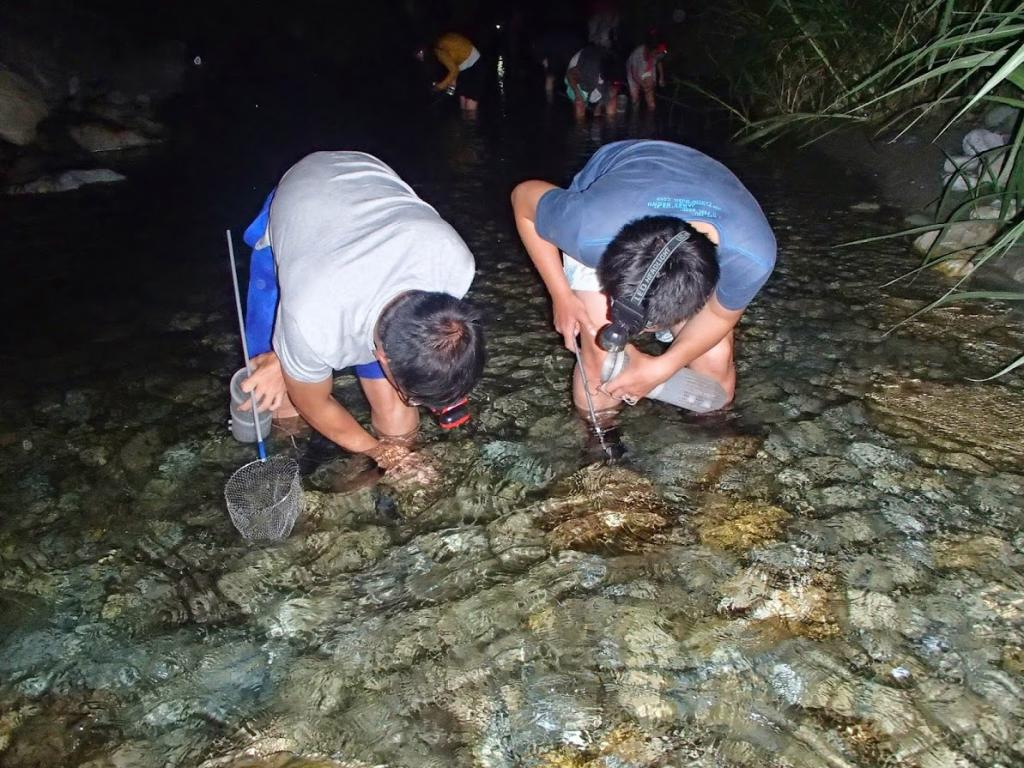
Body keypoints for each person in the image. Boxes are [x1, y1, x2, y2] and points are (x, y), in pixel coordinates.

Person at [239, 151, 485, 472]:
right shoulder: (311, 319)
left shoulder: (455, 264)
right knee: (280, 401)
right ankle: (299, 463)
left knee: (399, 424)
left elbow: (439, 342)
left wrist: (398, 451)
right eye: (414, 396)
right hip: (302, 200)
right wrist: (379, 453)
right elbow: (311, 402)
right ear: (381, 357)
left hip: (373, 198)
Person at [510, 140, 776, 435]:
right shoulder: (588, 232)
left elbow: (720, 315)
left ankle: (712, 436)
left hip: (710, 187)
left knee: (715, 361)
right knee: (602, 357)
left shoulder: (751, 257)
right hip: (616, 196)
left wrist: (664, 367)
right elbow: (523, 198)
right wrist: (560, 294)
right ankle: (600, 441)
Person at [416, 32, 484, 112]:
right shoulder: (439, 44)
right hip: (463, 65)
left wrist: (439, 87)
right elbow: (453, 66)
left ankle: (470, 119)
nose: (419, 58)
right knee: (462, 97)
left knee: (470, 100)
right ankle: (463, 118)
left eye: (419, 55)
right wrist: (451, 86)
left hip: (474, 64)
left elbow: (454, 71)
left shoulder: (438, 51)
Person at [565, 44, 620, 119]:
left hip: (596, 82)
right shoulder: (589, 66)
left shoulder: (613, 68)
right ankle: (580, 124)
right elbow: (569, 74)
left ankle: (611, 123)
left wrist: (600, 105)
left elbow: (613, 89)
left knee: (612, 99)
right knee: (579, 102)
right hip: (578, 80)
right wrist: (578, 95)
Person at [626, 36, 667, 110]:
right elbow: (634, 74)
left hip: (647, 71)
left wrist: (661, 77)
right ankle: (634, 111)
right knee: (635, 98)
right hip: (633, 74)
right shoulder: (637, 54)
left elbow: (659, 61)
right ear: (650, 49)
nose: (657, 55)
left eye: (659, 53)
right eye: (656, 53)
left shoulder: (658, 53)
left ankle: (651, 110)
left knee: (650, 99)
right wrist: (643, 85)